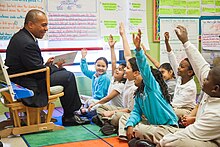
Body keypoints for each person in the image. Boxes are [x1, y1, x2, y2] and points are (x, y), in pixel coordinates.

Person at [132, 25, 220, 147]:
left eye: (207, 79)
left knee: (176, 142)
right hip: (191, 127)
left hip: (206, 139)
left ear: (215, 89)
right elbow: (200, 64)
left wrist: (163, 142)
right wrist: (185, 41)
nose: (203, 80)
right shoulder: (184, 81)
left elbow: (192, 132)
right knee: (141, 130)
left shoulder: (216, 113)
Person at [5, 9, 88, 126]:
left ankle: (72, 113)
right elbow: (38, 73)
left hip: (21, 78)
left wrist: (48, 65)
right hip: (27, 83)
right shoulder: (27, 43)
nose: (46, 29)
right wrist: (53, 66)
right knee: (68, 76)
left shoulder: (21, 36)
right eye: (43, 25)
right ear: (30, 25)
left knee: (62, 71)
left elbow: (31, 66)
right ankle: (70, 116)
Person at [118, 25, 178, 141]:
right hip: (153, 126)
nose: (137, 75)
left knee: (140, 130)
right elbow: (136, 111)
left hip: (167, 127)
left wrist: (139, 51)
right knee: (127, 119)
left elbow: (145, 69)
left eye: (139, 73)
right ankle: (131, 137)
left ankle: (138, 138)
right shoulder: (139, 94)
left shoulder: (152, 88)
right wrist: (130, 125)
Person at [87, 34, 126, 111]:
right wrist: (112, 48)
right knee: (90, 102)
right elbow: (114, 62)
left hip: (116, 109)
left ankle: (86, 112)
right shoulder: (113, 80)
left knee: (94, 106)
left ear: (124, 75)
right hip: (109, 105)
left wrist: (95, 104)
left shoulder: (121, 85)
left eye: (120, 70)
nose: (117, 70)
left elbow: (108, 98)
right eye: (117, 68)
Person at [164, 32, 197, 118]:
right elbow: (172, 58)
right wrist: (167, 42)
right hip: (176, 107)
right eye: (179, 66)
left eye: (181, 67)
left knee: (167, 112)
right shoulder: (180, 77)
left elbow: (177, 103)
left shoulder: (191, 87)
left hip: (187, 110)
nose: (178, 68)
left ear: (189, 72)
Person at [80, 48, 111, 114]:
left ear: (106, 68)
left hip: (101, 102)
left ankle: (85, 110)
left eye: (103, 66)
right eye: (98, 65)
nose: (100, 68)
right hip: (94, 99)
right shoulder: (94, 75)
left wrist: (88, 101)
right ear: (95, 65)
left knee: (90, 102)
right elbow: (85, 71)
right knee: (79, 97)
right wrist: (83, 58)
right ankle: (85, 108)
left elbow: (99, 96)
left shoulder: (104, 78)